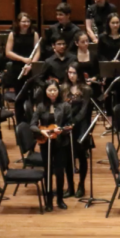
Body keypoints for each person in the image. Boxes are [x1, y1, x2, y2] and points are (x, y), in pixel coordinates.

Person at [30, 81, 73, 211]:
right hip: (45, 142)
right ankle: (48, 201)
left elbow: (70, 124)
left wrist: (63, 130)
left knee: (60, 172)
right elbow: (32, 125)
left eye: (54, 90)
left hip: (61, 142)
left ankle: (60, 199)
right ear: (45, 92)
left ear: (58, 91)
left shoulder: (65, 105)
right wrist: (40, 131)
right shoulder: (40, 106)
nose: (53, 93)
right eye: (50, 90)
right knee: (47, 171)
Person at [63, 67, 95, 199]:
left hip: (81, 126)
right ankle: (70, 186)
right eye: (69, 72)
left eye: (74, 73)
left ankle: (81, 185)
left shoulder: (86, 89)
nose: (71, 75)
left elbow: (84, 110)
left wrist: (74, 122)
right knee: (67, 158)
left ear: (79, 74)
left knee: (81, 156)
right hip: (67, 126)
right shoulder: (63, 88)